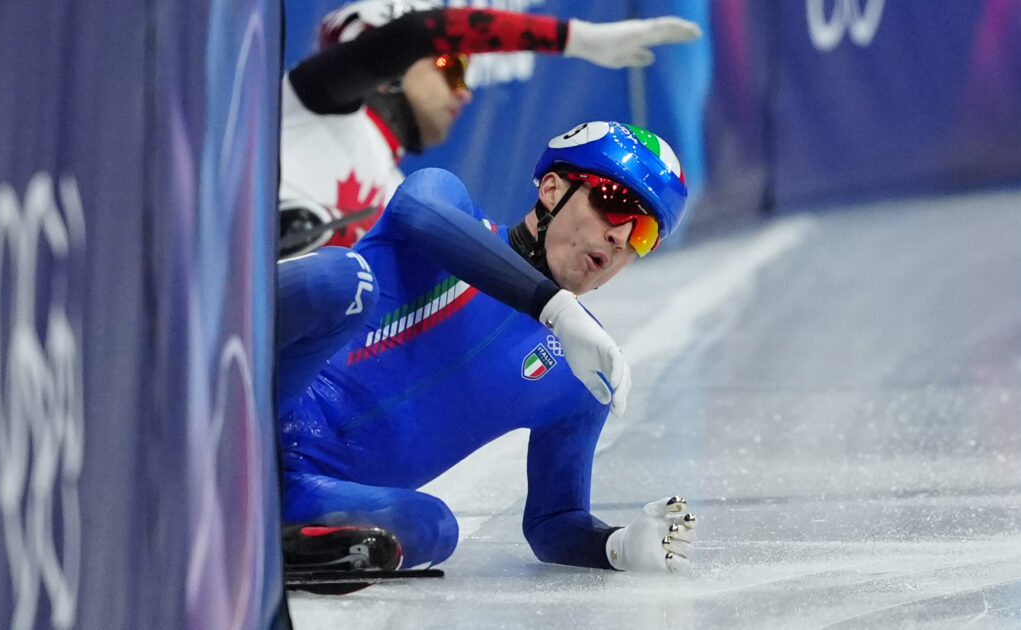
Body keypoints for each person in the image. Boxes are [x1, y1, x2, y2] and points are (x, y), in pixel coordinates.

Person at [277, 121, 697, 580]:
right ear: (553, 189)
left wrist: (615, 546)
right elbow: (420, 210)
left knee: (434, 529)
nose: (621, 236)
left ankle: (278, 537)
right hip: (255, 402)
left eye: (644, 233)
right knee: (342, 278)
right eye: (614, 204)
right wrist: (553, 307)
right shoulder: (445, 198)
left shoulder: (582, 371)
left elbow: (553, 522)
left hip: (306, 490)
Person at [278, 0, 702, 257]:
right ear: (388, 69)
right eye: (452, 67)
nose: (464, 93)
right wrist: (576, 38)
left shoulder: (399, 192)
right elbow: (416, 32)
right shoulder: (305, 105)